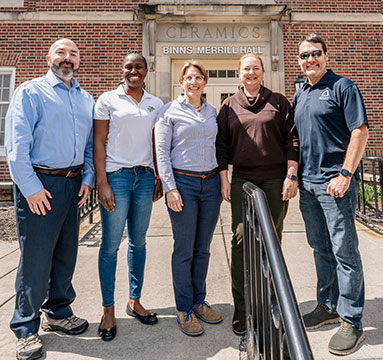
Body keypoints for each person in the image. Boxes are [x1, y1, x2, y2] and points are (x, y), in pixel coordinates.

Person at [5, 38, 94, 360]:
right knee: (36, 258)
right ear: (49, 58)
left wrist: (87, 179)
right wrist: (30, 188)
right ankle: (26, 328)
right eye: (61, 52)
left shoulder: (85, 99)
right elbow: (17, 145)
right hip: (40, 184)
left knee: (65, 253)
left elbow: (87, 147)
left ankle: (58, 311)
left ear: (79, 60)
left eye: (73, 53)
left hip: (72, 186)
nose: (67, 58)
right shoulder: (30, 92)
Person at [293, 33, 369, 356]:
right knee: (320, 248)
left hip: (334, 185)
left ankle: (351, 320)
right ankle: (327, 305)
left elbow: (360, 131)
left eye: (315, 54)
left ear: (326, 56)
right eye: (304, 56)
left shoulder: (343, 87)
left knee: (344, 252)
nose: (310, 60)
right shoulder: (301, 94)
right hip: (308, 186)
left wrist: (345, 174)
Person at [216, 53, 299, 336]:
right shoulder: (228, 105)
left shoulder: (279, 102)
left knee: (272, 239)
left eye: (255, 68)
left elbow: (292, 140)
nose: (250, 73)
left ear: (263, 72)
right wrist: (224, 179)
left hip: (276, 179)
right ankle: (241, 304)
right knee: (240, 238)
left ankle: (271, 298)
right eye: (245, 69)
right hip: (242, 178)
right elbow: (222, 146)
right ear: (239, 74)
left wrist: (291, 175)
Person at [93, 53, 163, 341]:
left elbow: (157, 142)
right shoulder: (108, 100)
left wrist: (158, 177)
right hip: (117, 177)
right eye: (129, 67)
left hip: (145, 178)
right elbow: (98, 140)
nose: (134, 71)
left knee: (139, 242)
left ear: (147, 71)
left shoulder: (155, 104)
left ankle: (135, 301)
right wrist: (102, 182)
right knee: (110, 245)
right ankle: (108, 309)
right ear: (122, 70)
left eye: (139, 67)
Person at [155, 61, 222, 337]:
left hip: (211, 184)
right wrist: (170, 188)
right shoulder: (168, 111)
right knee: (184, 248)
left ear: (205, 82)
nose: (193, 82)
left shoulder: (212, 111)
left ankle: (199, 299)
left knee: (203, 248)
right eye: (188, 77)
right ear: (181, 82)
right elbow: (161, 152)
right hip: (183, 184)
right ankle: (184, 308)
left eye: (198, 77)